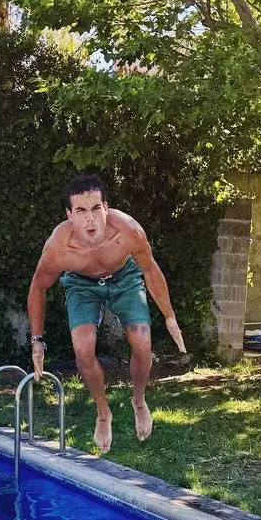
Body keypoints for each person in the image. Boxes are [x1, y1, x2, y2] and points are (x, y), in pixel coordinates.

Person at [26, 174, 186, 454]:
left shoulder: (128, 231)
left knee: (143, 343)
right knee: (82, 349)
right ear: (69, 215)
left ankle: (138, 399)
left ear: (106, 208)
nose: (90, 219)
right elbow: (38, 287)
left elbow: (150, 269)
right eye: (80, 211)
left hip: (124, 277)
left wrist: (169, 317)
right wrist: (37, 339)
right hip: (81, 283)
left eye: (95, 209)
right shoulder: (58, 248)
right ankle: (103, 413)